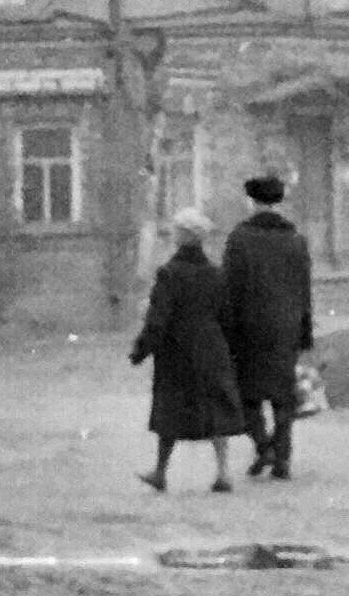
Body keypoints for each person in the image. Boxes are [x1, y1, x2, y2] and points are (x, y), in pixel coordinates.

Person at [129, 207, 246, 493]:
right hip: (211, 347)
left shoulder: (169, 274)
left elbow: (158, 319)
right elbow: (228, 316)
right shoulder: (216, 274)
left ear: (180, 237)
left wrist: (141, 350)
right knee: (215, 408)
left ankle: (160, 472)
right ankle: (223, 473)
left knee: (170, 410)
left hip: (177, 349)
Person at [219, 173, 314, 481]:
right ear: (279, 202)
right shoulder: (296, 241)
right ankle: (282, 459)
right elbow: (304, 290)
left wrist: (224, 328)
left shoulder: (239, 239)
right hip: (286, 327)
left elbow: (229, 288)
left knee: (247, 396)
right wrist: (305, 332)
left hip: (247, 328)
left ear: (251, 201)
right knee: (283, 396)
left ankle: (264, 447)